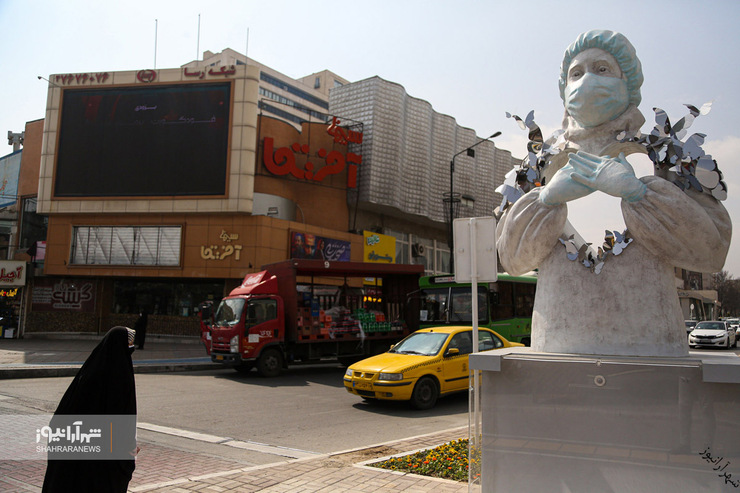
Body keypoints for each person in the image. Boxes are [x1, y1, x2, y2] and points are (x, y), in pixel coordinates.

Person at [497, 30, 731, 357]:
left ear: (629, 83)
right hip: (557, 352)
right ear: (563, 90)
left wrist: (639, 194)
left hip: (652, 349)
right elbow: (510, 258)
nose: (587, 79)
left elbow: (712, 250)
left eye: (602, 69)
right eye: (576, 74)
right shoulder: (537, 164)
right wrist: (546, 199)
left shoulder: (666, 154)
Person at [42, 326, 138, 492]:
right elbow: (120, 416)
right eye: (129, 343)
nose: (131, 347)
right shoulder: (120, 378)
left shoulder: (91, 370)